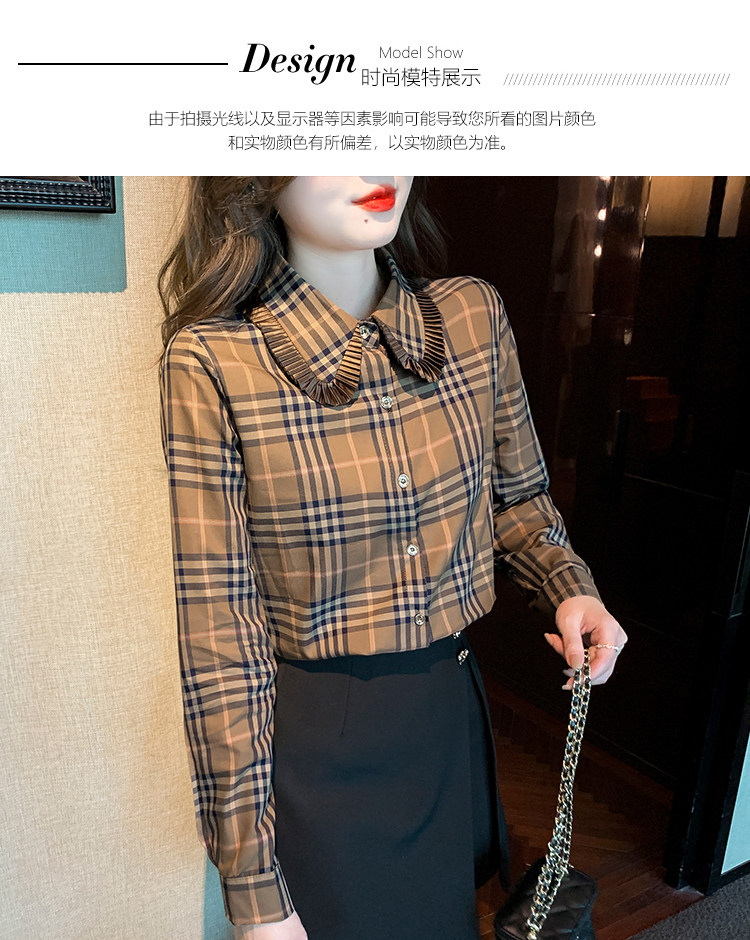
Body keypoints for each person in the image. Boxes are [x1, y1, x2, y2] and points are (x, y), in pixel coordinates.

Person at [158, 176, 627, 940]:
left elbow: (519, 501)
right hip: (322, 758)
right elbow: (221, 641)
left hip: (448, 715)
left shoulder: (472, 317)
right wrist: (254, 892)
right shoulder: (214, 362)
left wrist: (570, 586)